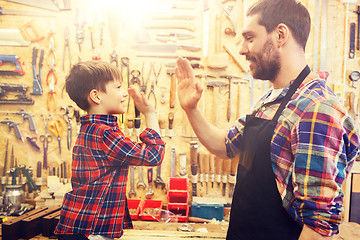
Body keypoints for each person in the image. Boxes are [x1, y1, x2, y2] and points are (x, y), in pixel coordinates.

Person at [175, 0, 359, 239]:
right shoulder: (270, 100)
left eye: (250, 38)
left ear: (280, 34)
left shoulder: (316, 110)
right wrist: (191, 109)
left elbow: (317, 230)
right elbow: (226, 145)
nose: (241, 49)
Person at [54, 61, 165, 240]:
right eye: (119, 87)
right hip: (90, 232)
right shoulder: (105, 134)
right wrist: (150, 114)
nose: (125, 93)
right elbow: (154, 156)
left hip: (81, 227)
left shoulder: (91, 129)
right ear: (96, 96)